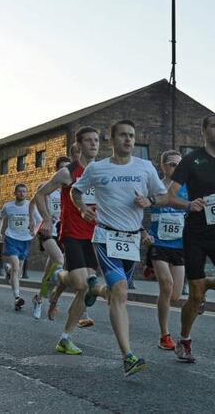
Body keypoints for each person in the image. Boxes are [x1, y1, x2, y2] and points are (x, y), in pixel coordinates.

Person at [72, 120, 170, 376]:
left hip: (131, 241)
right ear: (112, 140)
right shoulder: (97, 168)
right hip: (105, 236)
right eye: (123, 136)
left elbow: (163, 196)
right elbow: (76, 191)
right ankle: (128, 355)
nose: (128, 140)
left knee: (118, 293)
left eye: (132, 136)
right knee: (121, 290)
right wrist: (83, 210)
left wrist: (149, 200)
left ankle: (95, 287)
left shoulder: (145, 167)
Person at [168, 114, 215, 363]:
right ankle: (185, 339)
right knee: (196, 297)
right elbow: (171, 196)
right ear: (204, 130)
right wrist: (189, 204)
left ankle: (209, 284)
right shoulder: (191, 160)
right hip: (196, 235)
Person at [33, 133, 100, 354]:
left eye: (97, 140)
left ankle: (65, 337)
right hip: (72, 233)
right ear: (79, 145)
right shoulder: (67, 173)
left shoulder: (101, 172)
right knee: (81, 284)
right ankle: (58, 275)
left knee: (88, 288)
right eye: (89, 140)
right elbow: (40, 194)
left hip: (95, 236)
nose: (93, 144)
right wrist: (47, 218)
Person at [146, 150, 188, 350]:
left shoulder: (187, 188)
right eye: (171, 164)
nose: (175, 168)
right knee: (166, 285)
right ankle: (165, 335)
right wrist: (142, 233)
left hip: (179, 245)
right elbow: (138, 209)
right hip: (158, 243)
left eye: (179, 164)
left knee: (175, 296)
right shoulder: (155, 187)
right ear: (162, 165)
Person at [29, 155, 70, 319]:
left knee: (49, 273)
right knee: (60, 261)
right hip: (46, 231)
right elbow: (33, 202)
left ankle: (39, 299)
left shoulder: (71, 188)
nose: (65, 170)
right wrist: (33, 219)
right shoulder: (47, 186)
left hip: (63, 232)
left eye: (68, 167)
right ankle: (52, 299)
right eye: (62, 167)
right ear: (57, 169)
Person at [0, 184, 41, 311]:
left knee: (18, 271)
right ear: (15, 193)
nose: (22, 193)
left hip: (25, 239)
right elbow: (0, 218)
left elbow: (39, 221)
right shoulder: (8, 206)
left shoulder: (30, 206)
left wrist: (35, 231)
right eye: (19, 191)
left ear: (26, 193)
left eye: (24, 191)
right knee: (17, 268)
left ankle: (9, 270)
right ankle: (17, 297)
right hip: (11, 238)